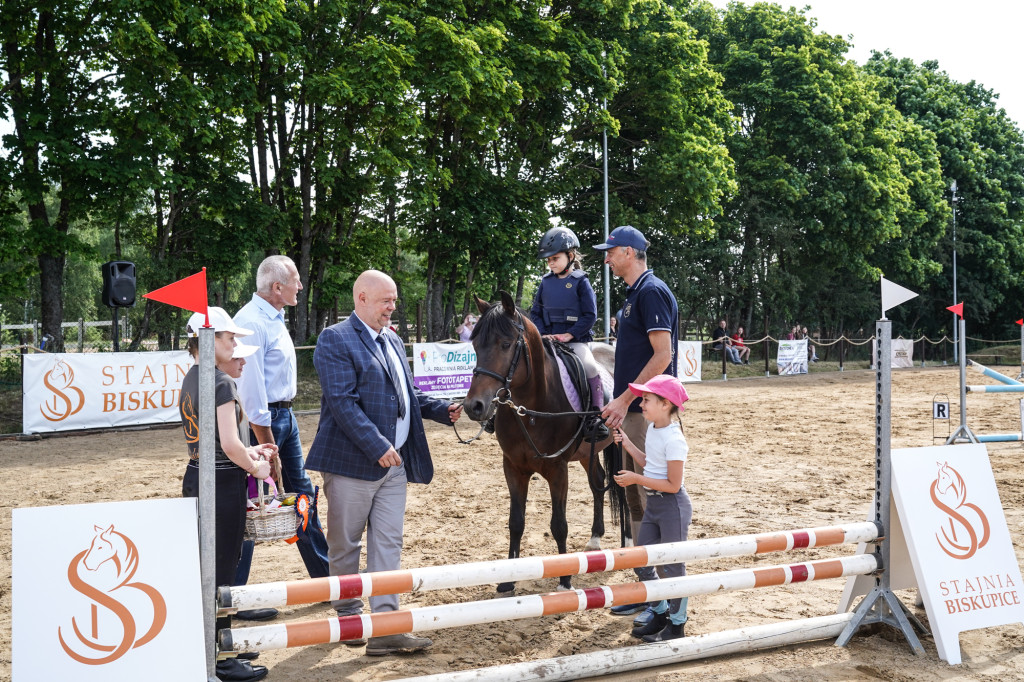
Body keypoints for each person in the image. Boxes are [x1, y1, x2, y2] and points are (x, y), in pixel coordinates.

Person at [306, 269, 464, 656]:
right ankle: (348, 615)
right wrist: (377, 444)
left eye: (394, 300)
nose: (392, 307)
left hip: (395, 464)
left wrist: (444, 410)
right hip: (351, 463)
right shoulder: (335, 338)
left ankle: (386, 628)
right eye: (385, 301)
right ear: (361, 298)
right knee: (345, 543)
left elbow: (407, 395)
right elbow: (343, 403)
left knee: (388, 543)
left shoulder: (392, 339)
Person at [179, 307, 276, 682]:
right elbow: (231, 444)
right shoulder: (220, 382)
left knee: (210, 568)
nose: (235, 345)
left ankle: (220, 645)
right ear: (209, 339)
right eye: (230, 338)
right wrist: (257, 466)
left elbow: (215, 444)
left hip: (198, 475)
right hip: (221, 483)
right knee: (222, 569)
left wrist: (249, 455)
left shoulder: (192, 377)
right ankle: (220, 659)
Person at [233, 256, 330, 621]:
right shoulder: (252, 323)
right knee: (251, 501)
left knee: (303, 495)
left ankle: (325, 578)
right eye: (295, 281)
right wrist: (266, 439)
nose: (299, 287)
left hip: (283, 416)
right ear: (277, 288)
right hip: (266, 421)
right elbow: (252, 387)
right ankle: (234, 595)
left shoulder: (272, 319)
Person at [593, 224, 678, 619]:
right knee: (632, 495)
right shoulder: (636, 294)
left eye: (611, 251)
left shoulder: (651, 291)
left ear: (629, 252)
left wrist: (626, 399)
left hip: (647, 411)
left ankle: (659, 593)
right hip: (635, 410)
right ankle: (649, 587)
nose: (606, 257)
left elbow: (663, 356)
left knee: (647, 496)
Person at [612, 374, 692, 642]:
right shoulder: (656, 430)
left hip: (671, 507)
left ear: (666, 404)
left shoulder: (674, 439)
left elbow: (672, 483)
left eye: (646, 400)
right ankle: (659, 612)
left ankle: (677, 624)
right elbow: (649, 461)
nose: (641, 404)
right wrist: (626, 442)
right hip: (655, 506)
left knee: (673, 567)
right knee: (641, 561)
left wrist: (635, 479)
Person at [529, 226, 606, 439]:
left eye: (555, 258)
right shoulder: (545, 283)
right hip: (548, 339)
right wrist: (543, 334)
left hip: (575, 341)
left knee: (590, 366)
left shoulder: (582, 282)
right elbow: (535, 313)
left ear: (570, 256)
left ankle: (594, 416)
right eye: (548, 260)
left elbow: (590, 315)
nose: (551, 263)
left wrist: (570, 335)